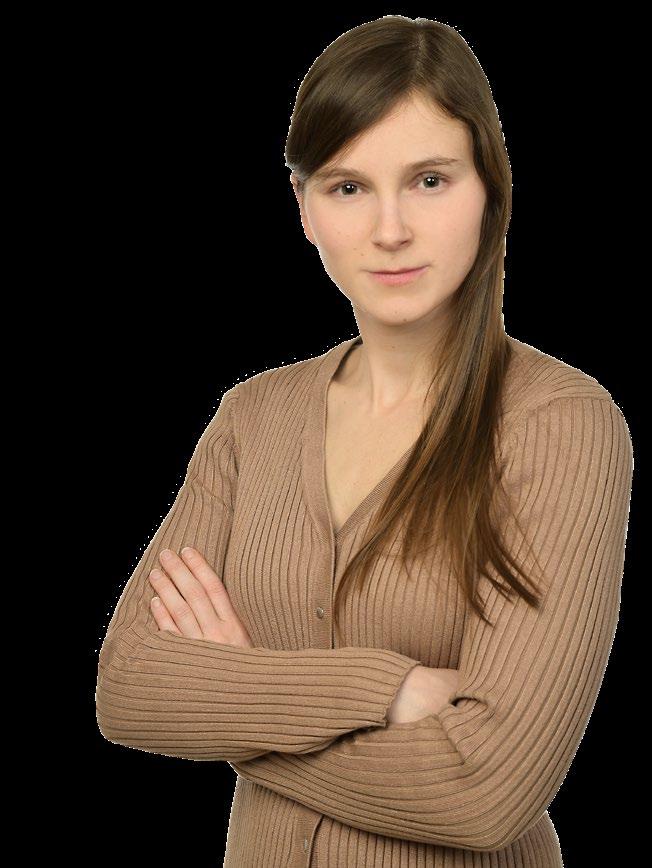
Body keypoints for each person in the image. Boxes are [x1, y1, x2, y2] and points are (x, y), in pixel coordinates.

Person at [96, 16, 633, 868]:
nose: (390, 229)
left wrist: (234, 706)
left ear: (490, 188)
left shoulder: (559, 422)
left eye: (429, 180)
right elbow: (129, 686)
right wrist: (391, 689)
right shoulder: (252, 417)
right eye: (348, 187)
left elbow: (487, 792)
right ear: (304, 209)